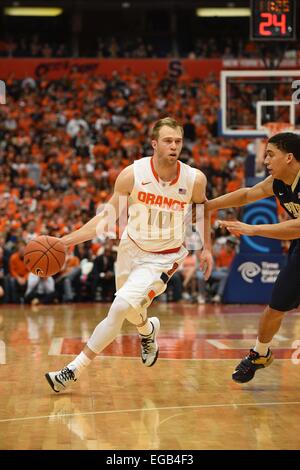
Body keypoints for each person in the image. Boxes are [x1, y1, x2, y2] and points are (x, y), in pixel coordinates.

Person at [45, 117, 213, 392]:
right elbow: (105, 220)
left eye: (178, 141)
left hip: (163, 257)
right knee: (131, 309)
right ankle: (148, 331)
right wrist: (65, 241)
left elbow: (203, 212)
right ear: (154, 144)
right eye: (168, 141)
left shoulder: (194, 179)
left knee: (120, 307)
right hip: (130, 249)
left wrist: (206, 247)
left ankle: (72, 370)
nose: (174, 146)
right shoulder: (132, 175)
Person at [205, 132, 300, 383]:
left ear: (289, 157)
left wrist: (253, 229)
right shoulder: (278, 181)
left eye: (271, 154)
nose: (265, 160)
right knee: (275, 307)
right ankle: (260, 354)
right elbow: (247, 194)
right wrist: (208, 206)